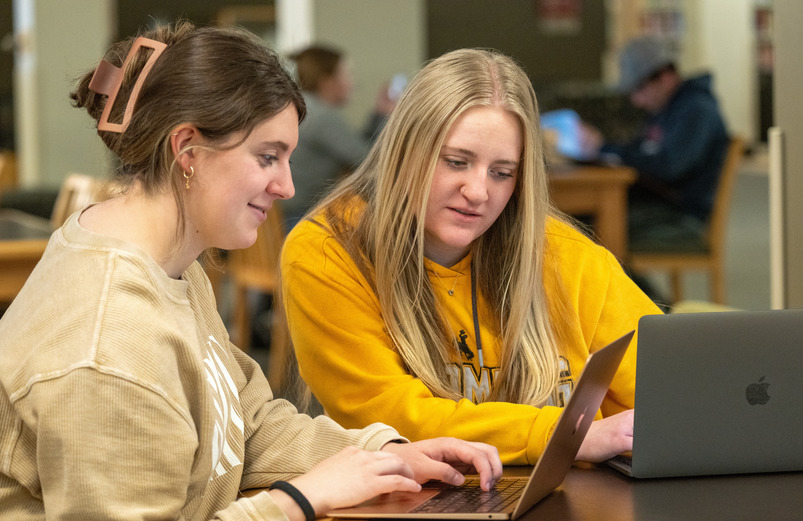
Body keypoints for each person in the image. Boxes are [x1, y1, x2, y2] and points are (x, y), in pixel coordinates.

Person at [0, 23, 503, 521]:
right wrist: (298, 500)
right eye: (267, 157)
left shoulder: (169, 260)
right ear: (187, 151)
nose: (285, 186)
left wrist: (385, 455)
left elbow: (247, 422)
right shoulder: (107, 349)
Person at [280, 48, 662, 466]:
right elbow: (390, 418)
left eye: (502, 173)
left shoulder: (564, 255)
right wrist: (562, 434)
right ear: (406, 151)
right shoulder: (328, 252)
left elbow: (670, 385)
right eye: (457, 162)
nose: (479, 192)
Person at [580, 36, 730, 251]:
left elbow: (669, 166)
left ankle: (631, 286)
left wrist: (605, 150)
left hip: (682, 215)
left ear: (666, 77)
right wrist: (604, 148)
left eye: (639, 89)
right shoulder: (666, 110)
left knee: (599, 229)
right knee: (589, 222)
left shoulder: (696, 110)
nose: (636, 101)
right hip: (661, 203)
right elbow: (640, 151)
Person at [281, 45, 397, 228]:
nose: (353, 82)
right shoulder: (321, 116)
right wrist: (389, 117)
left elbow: (354, 147)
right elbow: (369, 162)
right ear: (327, 81)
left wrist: (379, 114)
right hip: (298, 217)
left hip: (284, 215)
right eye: (346, 74)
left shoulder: (301, 106)